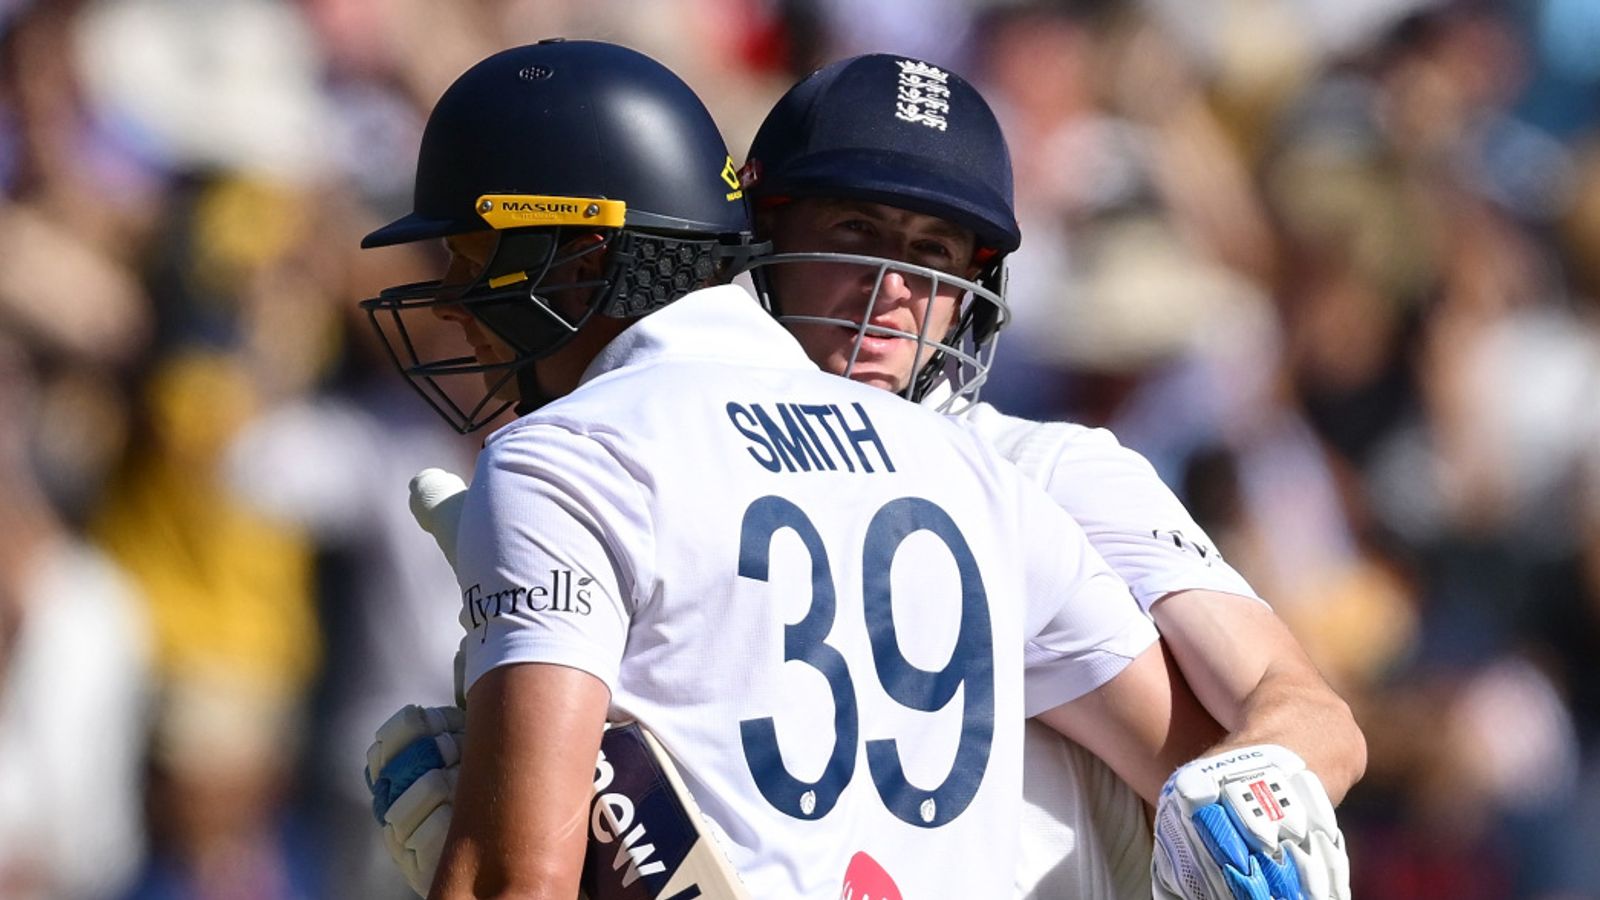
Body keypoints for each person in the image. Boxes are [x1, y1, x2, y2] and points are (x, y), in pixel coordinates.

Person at [367, 50, 1363, 900]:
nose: (894, 292)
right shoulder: (960, 471)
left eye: (934, 254)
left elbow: (1270, 737)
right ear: (755, 241)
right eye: (855, 237)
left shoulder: (1034, 467)